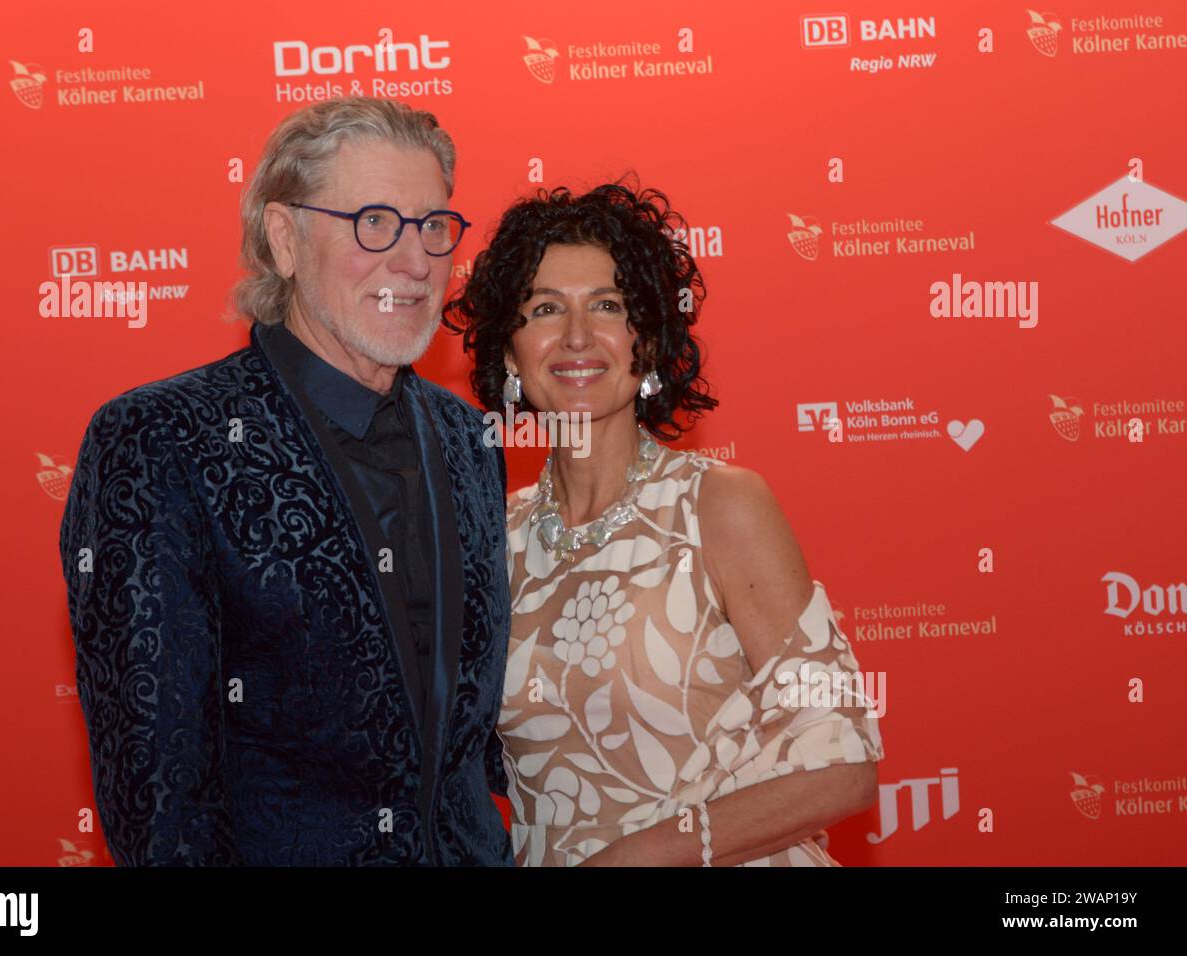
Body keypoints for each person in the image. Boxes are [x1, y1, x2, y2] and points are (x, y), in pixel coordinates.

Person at [59, 97, 514, 865]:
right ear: (285, 239)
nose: (413, 262)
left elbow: (466, 742)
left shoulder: (469, 436)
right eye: (374, 222)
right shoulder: (162, 439)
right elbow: (159, 799)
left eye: (434, 227)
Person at [445, 181, 884, 866]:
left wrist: (638, 857)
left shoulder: (718, 506)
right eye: (545, 309)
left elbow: (843, 763)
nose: (579, 337)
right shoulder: (490, 541)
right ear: (509, 352)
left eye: (609, 306)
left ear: (645, 343)